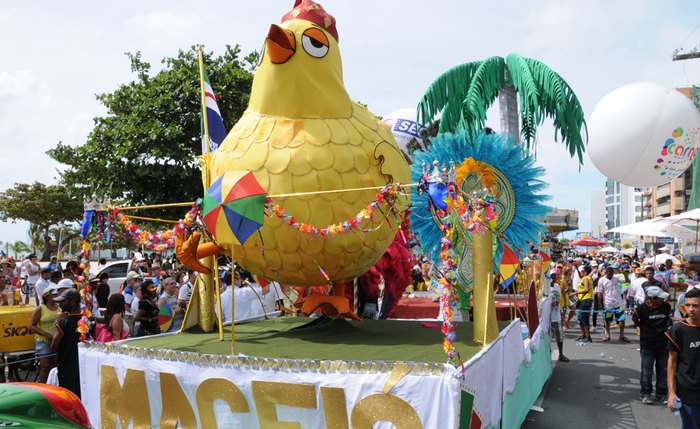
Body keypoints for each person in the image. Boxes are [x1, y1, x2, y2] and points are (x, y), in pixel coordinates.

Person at [633, 286, 671, 405]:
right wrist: (643, 328)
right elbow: (635, 320)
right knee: (647, 371)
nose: (663, 299)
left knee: (663, 371)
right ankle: (645, 394)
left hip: (663, 345)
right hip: (647, 346)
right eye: (660, 298)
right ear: (653, 298)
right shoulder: (641, 309)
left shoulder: (666, 306)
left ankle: (661, 394)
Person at [667, 287, 700, 426]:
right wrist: (671, 392)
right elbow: (672, 363)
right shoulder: (677, 330)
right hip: (689, 392)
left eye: (696, 305)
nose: (691, 309)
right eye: (688, 305)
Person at [51, 288, 83, 398]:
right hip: (83, 366)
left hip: (66, 367)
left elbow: (54, 346)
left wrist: (57, 324)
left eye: (63, 301)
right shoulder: (89, 319)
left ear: (72, 302)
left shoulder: (64, 322)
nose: (60, 304)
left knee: (69, 400)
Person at [28, 284, 60, 383]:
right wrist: (46, 334)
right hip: (43, 341)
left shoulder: (60, 307)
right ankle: (43, 387)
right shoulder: (40, 309)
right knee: (45, 366)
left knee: (55, 366)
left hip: (57, 340)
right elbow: (32, 326)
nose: (56, 296)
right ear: (47, 296)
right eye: (53, 295)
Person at [598, 266, 629, 342]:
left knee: (622, 319)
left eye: (611, 274)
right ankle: (607, 334)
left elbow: (626, 281)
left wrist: (625, 274)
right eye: (609, 274)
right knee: (607, 320)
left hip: (618, 304)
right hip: (608, 304)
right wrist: (599, 303)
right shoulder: (601, 280)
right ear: (606, 273)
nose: (610, 276)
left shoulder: (616, 278)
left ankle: (621, 335)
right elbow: (599, 292)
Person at [549, 272, 569, 362]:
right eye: (552, 276)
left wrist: (562, 311)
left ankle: (561, 354)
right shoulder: (544, 287)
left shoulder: (557, 286)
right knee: (546, 338)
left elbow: (559, 299)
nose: (554, 277)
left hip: (556, 316)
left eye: (555, 275)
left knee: (559, 336)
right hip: (546, 318)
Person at [573, 265, 594, 342]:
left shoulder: (586, 279)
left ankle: (588, 336)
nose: (581, 272)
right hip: (582, 299)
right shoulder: (586, 278)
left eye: (582, 271)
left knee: (584, 318)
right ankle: (584, 334)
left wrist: (575, 293)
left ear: (585, 272)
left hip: (585, 300)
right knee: (580, 318)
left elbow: (586, 289)